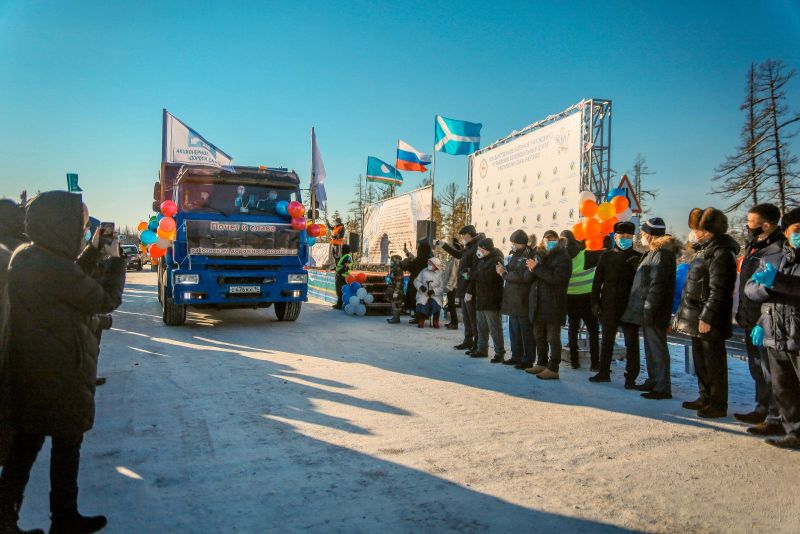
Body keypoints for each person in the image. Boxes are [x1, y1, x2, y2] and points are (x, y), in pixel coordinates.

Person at [0, 191, 125, 534]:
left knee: (26, 446)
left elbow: (69, 277)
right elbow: (104, 298)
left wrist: (90, 252)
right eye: (79, 225)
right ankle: (63, 518)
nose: (82, 230)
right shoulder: (52, 267)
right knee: (66, 445)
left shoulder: (29, 256)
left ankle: (7, 517)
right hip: (59, 371)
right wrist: (114, 261)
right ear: (60, 226)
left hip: (35, 369)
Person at [674, 208, 740, 418]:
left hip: (709, 318)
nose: (695, 233)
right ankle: (705, 396)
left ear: (710, 230)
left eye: (699, 229)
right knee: (701, 360)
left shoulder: (722, 253)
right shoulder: (705, 250)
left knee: (714, 363)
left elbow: (719, 289)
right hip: (696, 315)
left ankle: (718, 403)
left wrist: (707, 316)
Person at [745, 206, 800, 449]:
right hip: (776, 331)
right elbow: (751, 289)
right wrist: (761, 321)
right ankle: (794, 432)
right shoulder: (775, 256)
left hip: (797, 332)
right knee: (783, 388)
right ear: (787, 232)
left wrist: (776, 281)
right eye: (796, 230)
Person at [733, 203, 786, 433]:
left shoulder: (777, 249)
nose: (747, 225)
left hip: (767, 320)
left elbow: (770, 288)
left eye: (751, 222)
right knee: (757, 368)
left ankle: (777, 417)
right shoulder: (754, 246)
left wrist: (762, 320)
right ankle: (761, 407)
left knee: (771, 371)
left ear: (765, 225)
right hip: (750, 316)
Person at [621, 217, 679, 400]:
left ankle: (662, 386)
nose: (642, 236)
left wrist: (650, 307)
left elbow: (657, 285)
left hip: (654, 310)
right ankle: (654, 380)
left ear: (652, 234)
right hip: (647, 308)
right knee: (650, 347)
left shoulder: (662, 254)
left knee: (657, 348)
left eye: (644, 233)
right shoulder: (652, 252)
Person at [590, 221, 643, 386]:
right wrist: (595, 302)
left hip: (630, 307)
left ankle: (631, 377)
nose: (625, 239)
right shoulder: (607, 256)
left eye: (629, 236)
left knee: (631, 343)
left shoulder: (638, 257)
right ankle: (603, 371)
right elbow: (597, 281)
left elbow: (643, 284)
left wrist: (637, 269)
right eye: (622, 236)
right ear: (615, 236)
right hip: (609, 305)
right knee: (606, 341)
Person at [524, 231, 572, 380]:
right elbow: (528, 278)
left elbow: (556, 278)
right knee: (539, 335)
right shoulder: (539, 255)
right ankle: (542, 362)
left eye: (553, 240)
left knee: (553, 337)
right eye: (547, 239)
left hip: (554, 303)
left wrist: (537, 268)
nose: (549, 242)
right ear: (542, 241)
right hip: (538, 303)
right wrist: (533, 267)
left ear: (558, 241)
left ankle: (553, 367)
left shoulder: (563, 257)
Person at [439, 225, 484, 352]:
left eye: (463, 235)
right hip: (464, 288)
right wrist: (443, 244)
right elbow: (458, 254)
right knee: (466, 317)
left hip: (471, 289)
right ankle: (468, 340)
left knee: (473, 319)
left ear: (469, 235)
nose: (462, 238)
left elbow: (475, 272)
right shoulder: (469, 247)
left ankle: (477, 344)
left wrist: (470, 290)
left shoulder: (477, 248)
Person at [563, 230, 602, 370]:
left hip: (570, 298)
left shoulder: (562, 257)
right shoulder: (585, 254)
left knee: (573, 330)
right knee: (593, 330)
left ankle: (574, 361)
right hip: (587, 297)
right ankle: (595, 363)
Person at [496, 229, 535, 368]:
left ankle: (527, 359)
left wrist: (504, 274)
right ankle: (515, 355)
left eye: (515, 243)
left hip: (523, 299)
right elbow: (511, 269)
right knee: (514, 330)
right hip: (512, 298)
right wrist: (502, 268)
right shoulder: (514, 255)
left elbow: (522, 276)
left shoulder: (529, 255)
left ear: (522, 243)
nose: (513, 245)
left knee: (525, 332)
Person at [468, 238, 505, 359]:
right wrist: (470, 273)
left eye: (480, 249)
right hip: (481, 299)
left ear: (485, 249)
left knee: (495, 329)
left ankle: (499, 352)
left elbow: (489, 277)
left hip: (492, 300)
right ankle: (482, 349)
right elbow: (479, 275)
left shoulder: (497, 260)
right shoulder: (481, 260)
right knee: (481, 327)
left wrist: (473, 274)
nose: (478, 251)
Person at [402, 240, 433, 324]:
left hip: (417, 284)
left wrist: (404, 263)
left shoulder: (420, 259)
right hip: (427, 283)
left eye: (419, 247)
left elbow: (411, 266)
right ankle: (422, 316)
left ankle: (418, 318)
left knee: (416, 300)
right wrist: (407, 253)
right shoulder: (429, 258)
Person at [413, 257, 445, 328]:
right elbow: (416, 281)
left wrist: (434, 291)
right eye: (429, 263)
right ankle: (421, 320)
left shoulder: (440, 274)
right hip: (423, 293)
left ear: (436, 265)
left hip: (435, 295)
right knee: (421, 305)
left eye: (431, 264)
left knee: (436, 305)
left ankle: (435, 320)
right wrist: (421, 286)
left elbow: (442, 287)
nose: (429, 265)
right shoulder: (424, 271)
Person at [443, 238, 462, 330]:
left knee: (451, 304)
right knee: (450, 304)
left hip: (453, 286)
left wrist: (449, 286)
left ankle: (455, 323)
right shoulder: (452, 259)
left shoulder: (455, 260)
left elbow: (454, 274)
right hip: (451, 285)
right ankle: (453, 321)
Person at [385, 254, 405, 324]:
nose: (391, 261)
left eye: (392, 260)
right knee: (394, 303)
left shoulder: (398, 269)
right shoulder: (394, 268)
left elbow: (399, 281)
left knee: (396, 304)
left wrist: (396, 292)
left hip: (397, 290)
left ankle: (396, 319)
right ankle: (395, 317)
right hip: (394, 288)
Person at [333, 244, 352, 310]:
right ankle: (339, 303)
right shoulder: (344, 256)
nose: (341, 250)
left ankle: (340, 304)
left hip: (343, 276)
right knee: (339, 291)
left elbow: (346, 267)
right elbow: (339, 264)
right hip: (340, 275)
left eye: (342, 249)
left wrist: (339, 272)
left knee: (341, 291)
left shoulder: (347, 256)